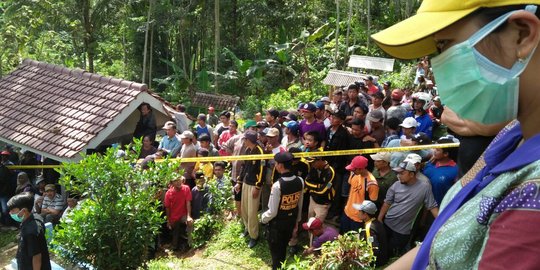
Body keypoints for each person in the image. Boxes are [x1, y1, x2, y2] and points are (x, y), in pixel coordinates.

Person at [373, 1, 540, 268]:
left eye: (444, 44)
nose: (437, 67)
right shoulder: (512, 134)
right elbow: (441, 242)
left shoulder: (533, 198)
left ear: (521, 34)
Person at [378, 161, 438, 257]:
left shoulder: (425, 187)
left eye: (402, 173)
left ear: (411, 174)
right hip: (388, 223)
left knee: (394, 253)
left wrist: (441, 221)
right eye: (398, 173)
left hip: (403, 230)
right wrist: (380, 218)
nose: (399, 176)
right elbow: (387, 202)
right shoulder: (396, 185)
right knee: (384, 249)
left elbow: (432, 206)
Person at [261, 152, 304, 270]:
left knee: (276, 256)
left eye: (276, 163)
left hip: (277, 227)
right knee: (283, 251)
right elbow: (299, 204)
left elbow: (273, 211)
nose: (275, 165)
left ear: (280, 165)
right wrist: (297, 222)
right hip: (290, 222)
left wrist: (263, 218)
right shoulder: (300, 180)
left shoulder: (277, 185)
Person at [235, 130, 264, 248]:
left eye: (244, 139)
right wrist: (239, 182)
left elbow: (261, 171)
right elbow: (244, 167)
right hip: (246, 182)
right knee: (245, 208)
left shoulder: (260, 151)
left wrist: (257, 187)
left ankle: (254, 236)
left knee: (252, 212)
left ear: (248, 140)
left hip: (254, 185)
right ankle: (247, 228)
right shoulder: (247, 150)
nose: (243, 142)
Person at [8, 192, 51, 270]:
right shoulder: (36, 217)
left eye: (13, 210)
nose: (10, 213)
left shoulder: (30, 232)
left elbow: (36, 257)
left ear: (24, 211)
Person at [340, 156, 379, 234]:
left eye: (354, 169)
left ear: (360, 169)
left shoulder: (371, 183)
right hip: (347, 212)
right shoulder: (353, 174)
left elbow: (372, 203)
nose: (351, 170)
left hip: (358, 219)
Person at [353, 200, 389, 267]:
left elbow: (373, 248)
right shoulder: (376, 221)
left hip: (377, 262)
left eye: (359, 211)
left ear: (365, 214)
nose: (357, 213)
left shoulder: (369, 229)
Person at [164, 176, 193, 252]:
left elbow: (188, 202)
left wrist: (189, 216)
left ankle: (191, 244)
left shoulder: (186, 188)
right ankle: (174, 246)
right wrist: (168, 221)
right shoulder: (168, 193)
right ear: (172, 183)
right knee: (175, 232)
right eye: (175, 181)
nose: (178, 182)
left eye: (179, 180)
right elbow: (167, 208)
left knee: (190, 223)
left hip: (183, 215)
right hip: (174, 217)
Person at [304, 155, 335, 223]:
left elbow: (325, 190)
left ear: (320, 160)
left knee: (317, 225)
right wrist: (318, 186)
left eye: (313, 162)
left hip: (323, 203)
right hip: (312, 199)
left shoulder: (330, 172)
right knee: (309, 221)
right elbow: (306, 181)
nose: (312, 164)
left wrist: (312, 190)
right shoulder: (313, 168)